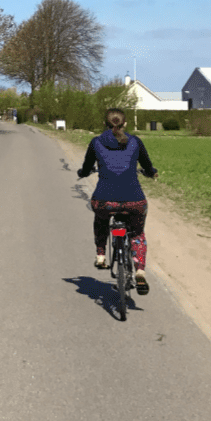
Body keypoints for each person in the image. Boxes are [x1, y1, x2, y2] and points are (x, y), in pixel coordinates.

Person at [77, 108, 158, 294]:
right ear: (125, 124)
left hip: (105, 200)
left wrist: (83, 173)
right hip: (134, 201)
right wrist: (151, 172)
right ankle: (140, 271)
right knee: (137, 233)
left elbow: (87, 166)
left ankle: (100, 255)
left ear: (105, 124)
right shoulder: (135, 142)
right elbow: (147, 165)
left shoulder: (96, 142)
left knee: (101, 219)